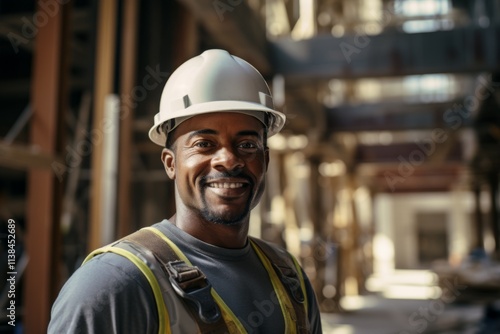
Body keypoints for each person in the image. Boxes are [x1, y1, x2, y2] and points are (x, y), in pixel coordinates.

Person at [48, 49, 323, 333]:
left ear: (264, 160)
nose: (228, 159)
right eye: (204, 143)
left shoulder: (289, 278)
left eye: (247, 145)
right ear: (171, 163)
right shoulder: (114, 284)